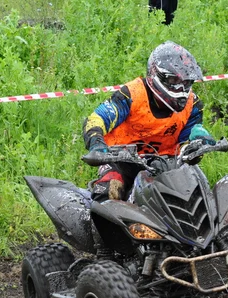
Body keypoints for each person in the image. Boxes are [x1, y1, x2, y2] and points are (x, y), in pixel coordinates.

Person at [82, 41, 216, 201]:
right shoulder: (131, 95)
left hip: (166, 165)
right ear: (158, 76)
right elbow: (97, 119)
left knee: (197, 193)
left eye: (186, 83)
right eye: (175, 82)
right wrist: (97, 143)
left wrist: (196, 146)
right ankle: (96, 224)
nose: (181, 90)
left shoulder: (192, 105)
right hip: (120, 161)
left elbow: (185, 144)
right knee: (110, 189)